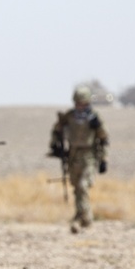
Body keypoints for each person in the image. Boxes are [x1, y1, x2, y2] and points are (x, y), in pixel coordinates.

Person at [49, 86, 109, 233]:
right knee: (77, 188)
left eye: (83, 103)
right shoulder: (69, 116)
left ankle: (86, 218)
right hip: (73, 156)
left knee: (83, 186)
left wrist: (103, 159)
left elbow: (104, 139)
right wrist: (55, 147)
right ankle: (79, 217)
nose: (80, 106)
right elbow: (56, 131)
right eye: (77, 103)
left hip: (89, 156)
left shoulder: (94, 118)